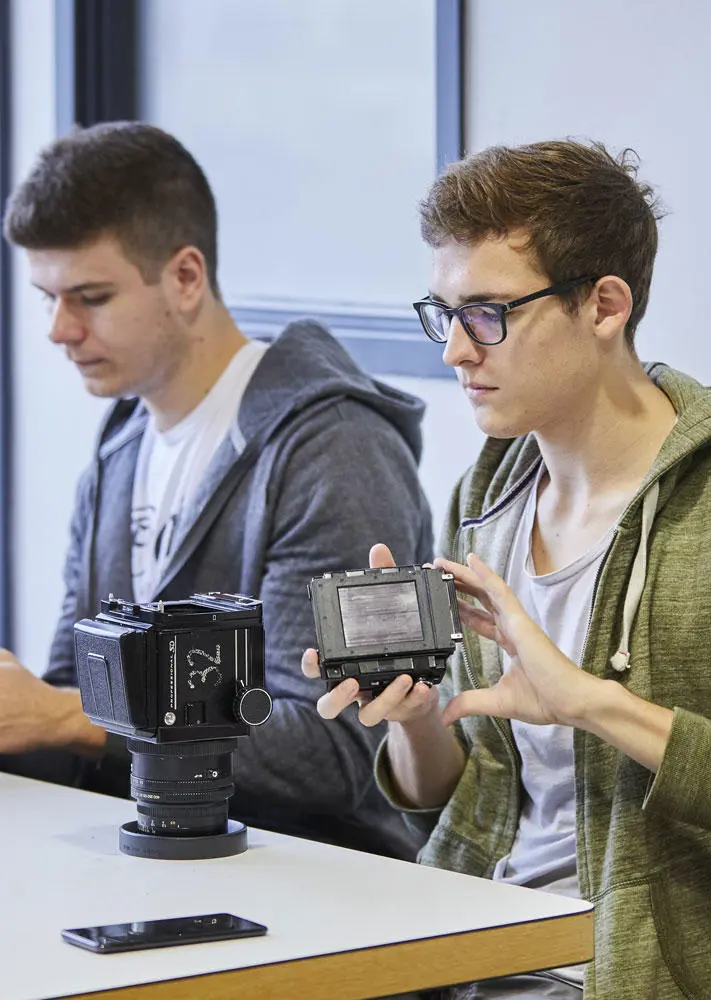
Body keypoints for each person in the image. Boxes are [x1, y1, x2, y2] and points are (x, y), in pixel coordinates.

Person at [304, 140, 711, 997]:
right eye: (445, 312)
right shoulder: (487, 495)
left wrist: (590, 703)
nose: (456, 351)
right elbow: (459, 794)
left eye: (488, 313)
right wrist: (418, 718)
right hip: (462, 949)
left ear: (604, 305)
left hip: (626, 977)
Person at [0, 121, 433, 860]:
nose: (58, 330)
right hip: (156, 865)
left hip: (318, 893)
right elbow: (77, 696)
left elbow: (330, 753)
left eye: (90, 296)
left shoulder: (331, 450)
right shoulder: (119, 451)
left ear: (186, 277)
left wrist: (71, 718)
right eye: (46, 298)